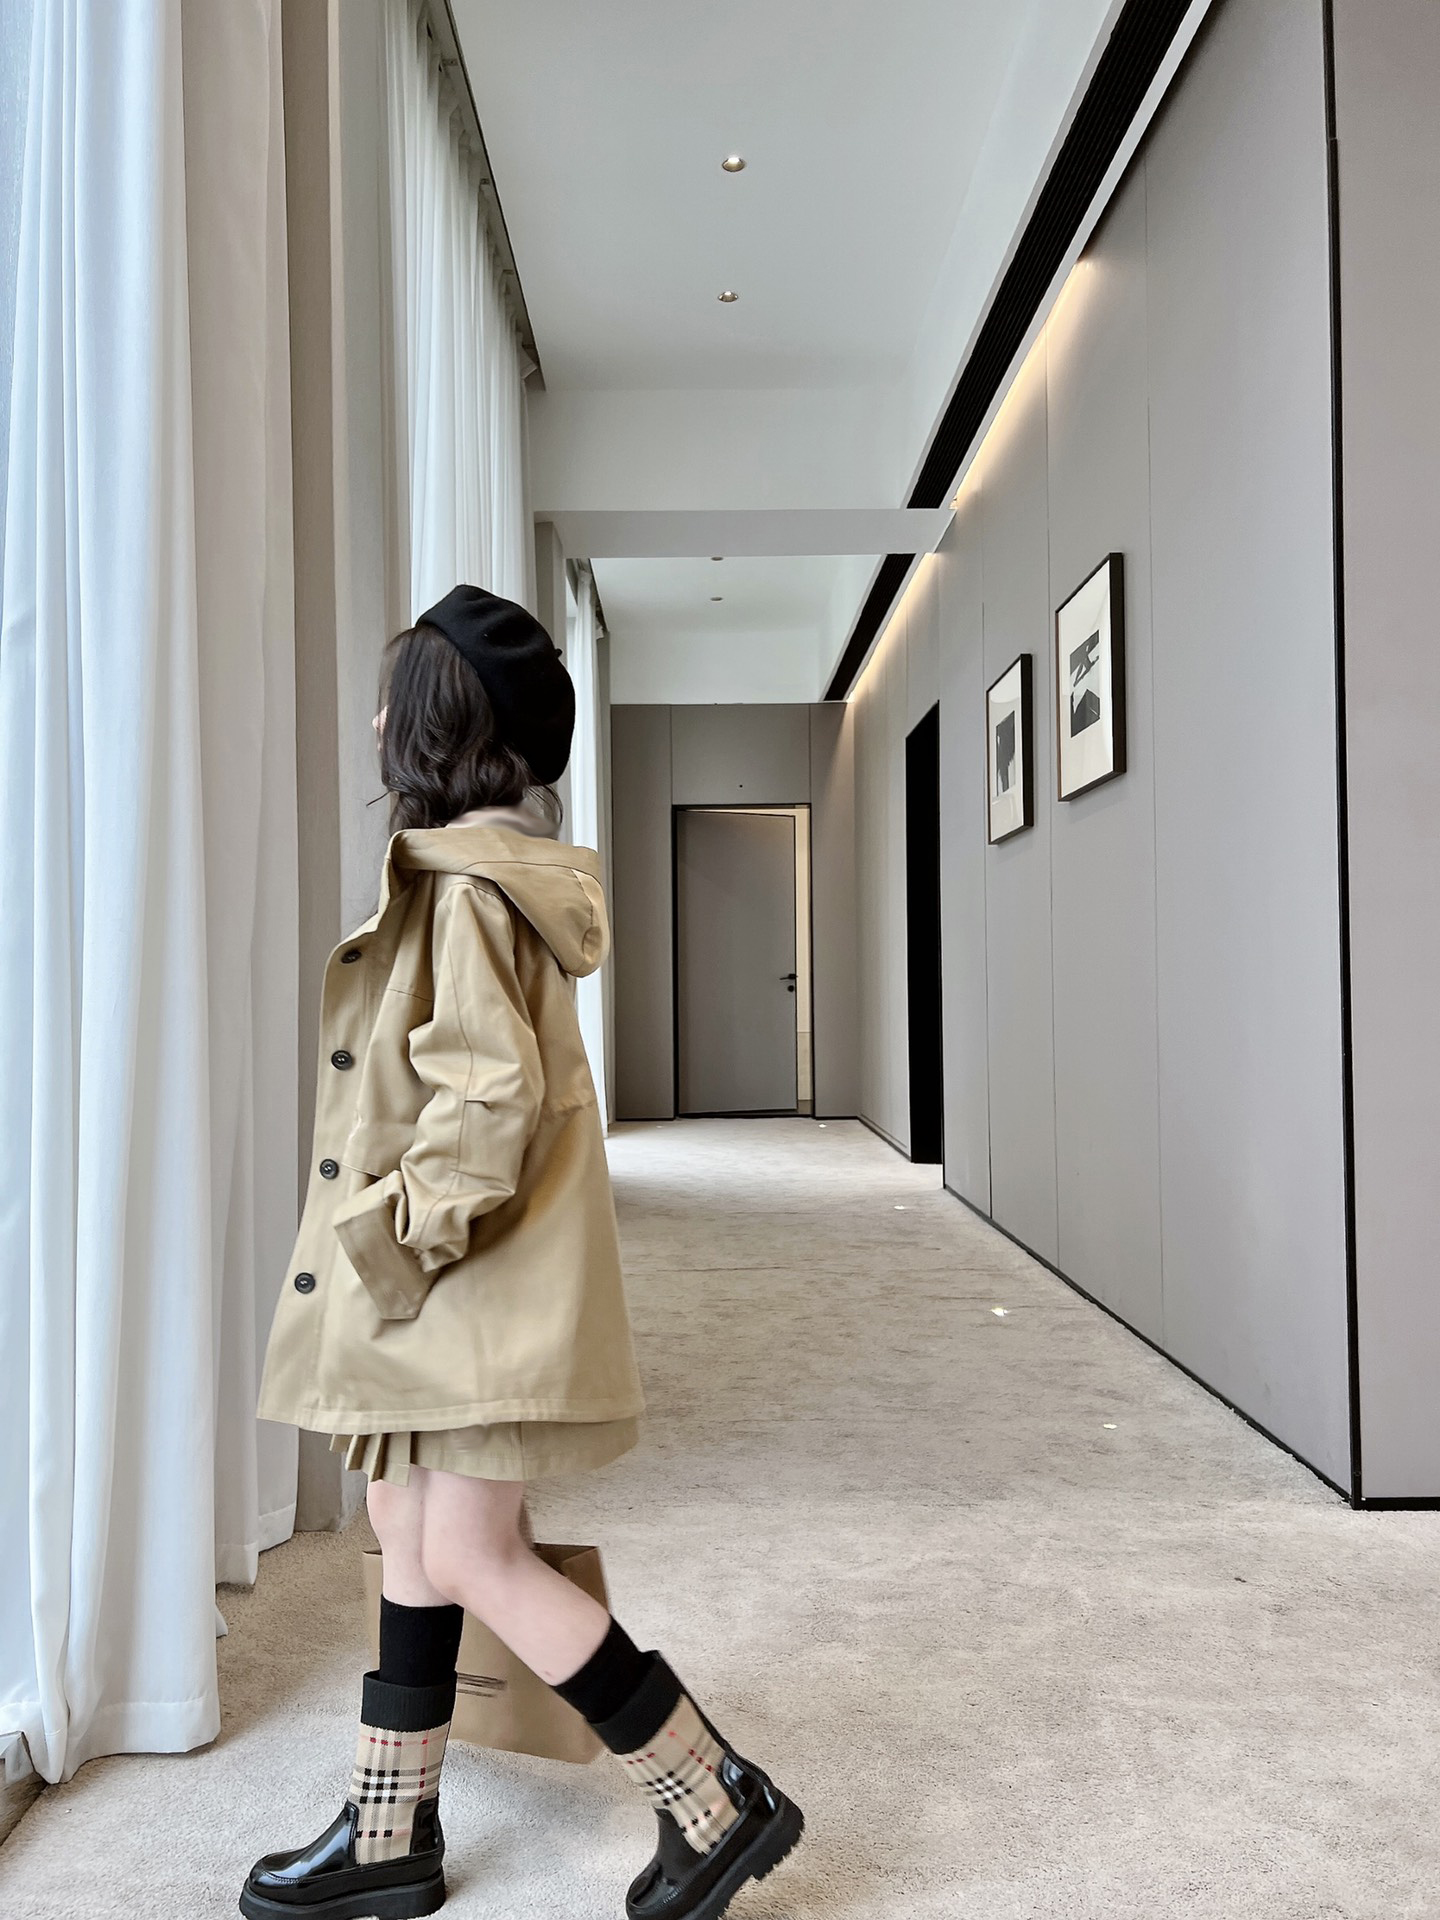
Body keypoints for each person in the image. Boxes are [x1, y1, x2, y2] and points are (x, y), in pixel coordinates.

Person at [239, 586, 803, 1920]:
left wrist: (393, 1235)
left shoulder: (462, 894)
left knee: (474, 1550)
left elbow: (484, 1106)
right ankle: (390, 1828)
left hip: (467, 1290)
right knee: (405, 1521)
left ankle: (715, 1797)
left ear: (437, 726)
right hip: (457, 1298)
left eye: (392, 700)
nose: (374, 722)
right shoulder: (476, 880)